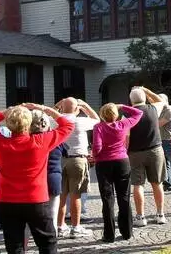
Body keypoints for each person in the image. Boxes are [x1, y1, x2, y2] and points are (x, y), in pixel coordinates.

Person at [0, 104, 74, 254]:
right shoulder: (40, 141)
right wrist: (44, 109)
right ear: (29, 123)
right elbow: (68, 125)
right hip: (36, 200)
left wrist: (8, 111)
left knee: (14, 246)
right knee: (47, 243)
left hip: (7, 200)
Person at [92, 103, 143, 242]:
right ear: (116, 114)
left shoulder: (99, 127)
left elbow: (97, 146)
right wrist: (122, 106)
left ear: (102, 114)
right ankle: (127, 232)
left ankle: (109, 235)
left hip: (104, 163)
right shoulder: (123, 124)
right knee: (124, 197)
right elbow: (138, 113)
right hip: (122, 161)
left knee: (107, 199)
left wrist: (95, 156)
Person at [55, 97, 99, 238]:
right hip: (78, 160)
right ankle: (75, 227)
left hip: (60, 159)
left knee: (61, 196)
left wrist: (58, 107)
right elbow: (97, 119)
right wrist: (85, 106)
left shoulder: (56, 120)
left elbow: (49, 113)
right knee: (76, 195)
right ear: (76, 109)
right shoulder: (80, 120)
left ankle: (60, 226)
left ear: (62, 108)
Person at [127, 87, 169, 226]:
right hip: (155, 150)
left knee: (137, 184)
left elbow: (125, 138)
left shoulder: (127, 114)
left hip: (135, 152)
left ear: (131, 100)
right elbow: (160, 100)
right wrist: (146, 90)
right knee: (157, 183)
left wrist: (126, 152)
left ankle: (140, 217)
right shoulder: (153, 109)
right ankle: (160, 214)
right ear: (144, 97)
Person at [30, 109, 66, 236]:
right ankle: (52, 238)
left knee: (31, 216)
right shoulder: (54, 138)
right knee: (52, 214)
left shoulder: (28, 140)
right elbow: (66, 125)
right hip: (53, 177)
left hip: (34, 181)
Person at [158, 94, 171, 192]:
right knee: (164, 164)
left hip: (168, 140)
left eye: (159, 101)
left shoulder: (169, 111)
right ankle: (168, 185)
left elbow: (158, 124)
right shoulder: (160, 111)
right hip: (161, 140)